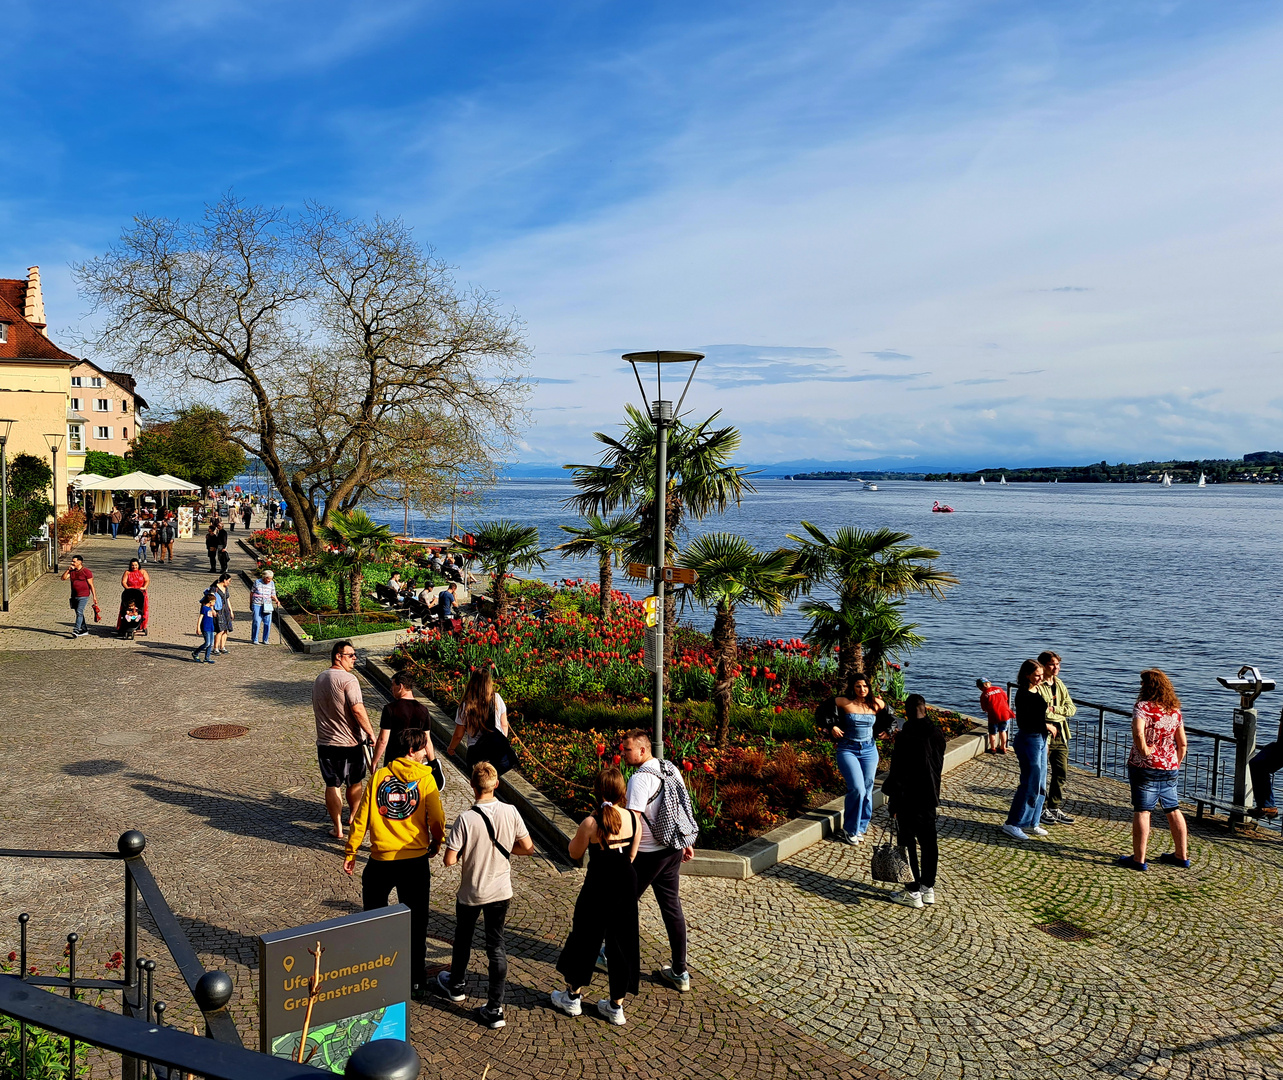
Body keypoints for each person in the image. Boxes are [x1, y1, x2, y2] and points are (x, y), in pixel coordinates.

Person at [344, 727, 445, 1002]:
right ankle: (415, 982)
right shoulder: (427, 780)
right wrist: (437, 842)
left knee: (374, 921)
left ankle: (377, 976)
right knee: (417, 923)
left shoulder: (379, 777)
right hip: (414, 863)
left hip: (380, 862)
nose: (427, 753)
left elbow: (362, 816)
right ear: (412, 751)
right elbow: (436, 818)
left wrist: (351, 850)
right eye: (424, 748)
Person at [438, 762, 536, 1029]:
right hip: (501, 891)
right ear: (496, 785)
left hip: (472, 892)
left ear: (472, 785)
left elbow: (449, 860)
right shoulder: (511, 811)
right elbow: (528, 848)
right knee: (496, 946)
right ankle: (495, 1007)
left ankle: (456, 984)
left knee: (463, 939)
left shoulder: (465, 819)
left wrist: (464, 852)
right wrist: (504, 850)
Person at [550, 768, 642, 1026]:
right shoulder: (634, 819)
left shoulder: (592, 823)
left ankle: (572, 996)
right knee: (623, 942)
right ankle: (616, 1005)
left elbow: (573, 852)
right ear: (623, 792)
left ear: (597, 792)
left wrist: (589, 822)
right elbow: (632, 855)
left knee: (585, 937)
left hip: (599, 884)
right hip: (626, 883)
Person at [621, 728, 698, 993]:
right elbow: (682, 806)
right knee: (672, 909)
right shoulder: (670, 768)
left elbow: (633, 822)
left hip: (646, 855)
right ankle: (679, 970)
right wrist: (686, 841)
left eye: (627, 749)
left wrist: (627, 856)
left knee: (621, 904)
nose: (623, 754)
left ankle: (610, 956)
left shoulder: (639, 780)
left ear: (643, 750)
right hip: (671, 851)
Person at [882, 694, 947, 909]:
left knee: (907, 842)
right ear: (925, 709)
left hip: (908, 798)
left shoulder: (906, 736)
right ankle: (928, 887)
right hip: (930, 796)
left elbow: (899, 772)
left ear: (907, 712)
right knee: (929, 843)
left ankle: (912, 890)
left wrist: (893, 802)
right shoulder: (937, 732)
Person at [1120, 669, 1190, 870]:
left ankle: (1139, 859)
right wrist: (1173, 762)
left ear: (1147, 686)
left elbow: (1138, 733)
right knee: (1173, 809)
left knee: (1142, 811)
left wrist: (1145, 752)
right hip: (1169, 767)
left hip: (1144, 766)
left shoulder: (1142, 707)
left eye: (1143, 683)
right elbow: (1183, 743)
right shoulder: (1174, 710)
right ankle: (1181, 855)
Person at [816, 672, 896, 844]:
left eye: (865, 686)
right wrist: (832, 726)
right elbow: (821, 712)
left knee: (867, 790)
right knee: (857, 789)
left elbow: (892, 717)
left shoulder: (876, 704)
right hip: (847, 749)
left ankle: (861, 827)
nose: (862, 689)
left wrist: (887, 731)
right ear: (853, 687)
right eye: (858, 686)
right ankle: (850, 829)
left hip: (869, 750)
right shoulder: (843, 701)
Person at [313, 640, 377, 840]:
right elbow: (357, 709)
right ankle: (354, 818)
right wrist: (370, 732)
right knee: (354, 781)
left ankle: (337, 828)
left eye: (355, 654)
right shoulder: (349, 680)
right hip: (350, 742)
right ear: (338, 656)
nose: (354, 658)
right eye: (350, 655)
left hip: (325, 742)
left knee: (332, 784)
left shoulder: (319, 678)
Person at [1002, 659, 1057, 841]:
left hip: (1040, 740)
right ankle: (1013, 823)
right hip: (1029, 740)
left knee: (1041, 783)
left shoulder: (1037, 690)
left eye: (1041, 674)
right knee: (1029, 783)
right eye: (1036, 675)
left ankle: (1033, 821)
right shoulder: (1023, 694)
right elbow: (1027, 721)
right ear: (1027, 675)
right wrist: (1047, 726)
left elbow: (1038, 712)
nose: (1040, 678)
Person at [374, 671, 442, 779]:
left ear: (400, 686)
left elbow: (383, 740)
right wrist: (432, 763)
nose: (391, 689)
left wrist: (374, 761)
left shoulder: (390, 709)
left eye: (393, 685)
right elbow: (427, 740)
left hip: (394, 763)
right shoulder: (423, 710)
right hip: (415, 764)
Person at [1037, 651, 1078, 826]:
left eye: (1058, 665)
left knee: (1061, 772)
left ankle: (1054, 806)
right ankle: (1040, 808)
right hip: (1044, 733)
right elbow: (1041, 711)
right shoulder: (1038, 686)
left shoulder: (1060, 684)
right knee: (1040, 773)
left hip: (1061, 733)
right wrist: (1056, 712)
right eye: (1052, 664)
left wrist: (1056, 710)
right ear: (1043, 666)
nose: (1056, 668)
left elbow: (1072, 709)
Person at [446, 667, 508, 761]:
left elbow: (458, 735)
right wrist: (502, 741)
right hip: (497, 749)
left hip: (476, 751)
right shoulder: (497, 699)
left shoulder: (466, 705)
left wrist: (451, 748)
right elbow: (504, 724)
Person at [1250, 710, 1283, 819]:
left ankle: (1268, 806)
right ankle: (1268, 806)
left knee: (1258, 765)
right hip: (1280, 745)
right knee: (1256, 764)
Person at [61, 555, 98, 638]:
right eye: (72, 561)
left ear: (80, 562)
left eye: (74, 561)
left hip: (84, 595)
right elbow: (63, 578)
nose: (72, 563)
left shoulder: (86, 572)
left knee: (79, 612)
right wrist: (68, 570)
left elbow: (91, 585)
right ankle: (84, 629)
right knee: (79, 613)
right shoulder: (72, 571)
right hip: (74, 595)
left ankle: (76, 630)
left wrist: (94, 596)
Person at [978, 678, 1014, 755]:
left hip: (993, 716)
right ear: (989, 683)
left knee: (992, 733)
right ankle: (1003, 747)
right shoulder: (999, 689)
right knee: (1003, 731)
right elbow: (1006, 698)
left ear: (980, 688)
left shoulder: (984, 694)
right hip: (1005, 714)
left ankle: (993, 748)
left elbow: (984, 708)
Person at [118, 559, 150, 637]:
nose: (134, 567)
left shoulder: (142, 572)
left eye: (135, 565)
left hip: (140, 592)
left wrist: (144, 587)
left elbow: (147, 580)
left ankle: (141, 625)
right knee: (127, 608)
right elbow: (124, 582)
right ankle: (125, 624)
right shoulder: (127, 572)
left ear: (138, 565)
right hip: (130, 593)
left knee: (141, 609)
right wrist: (127, 588)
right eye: (132, 565)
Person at [250, 569, 277, 645]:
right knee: (256, 621)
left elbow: (273, 594)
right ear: (264, 577)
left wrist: (277, 600)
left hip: (267, 604)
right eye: (268, 579)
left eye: (271, 579)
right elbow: (252, 593)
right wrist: (251, 603)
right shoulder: (257, 582)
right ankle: (255, 639)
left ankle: (265, 639)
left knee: (267, 622)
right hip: (257, 603)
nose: (269, 580)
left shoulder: (272, 583)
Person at [210, 573, 234, 654]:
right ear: (224, 580)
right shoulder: (214, 588)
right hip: (218, 611)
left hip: (226, 611)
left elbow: (227, 600)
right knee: (220, 630)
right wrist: (212, 610)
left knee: (225, 630)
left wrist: (231, 611)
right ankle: (215, 648)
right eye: (229, 581)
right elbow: (211, 600)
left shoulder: (226, 588)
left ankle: (222, 647)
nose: (229, 583)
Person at [192, 589, 218, 663]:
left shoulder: (210, 608)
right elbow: (200, 618)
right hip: (205, 628)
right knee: (207, 643)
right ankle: (195, 653)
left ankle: (207, 658)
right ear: (210, 602)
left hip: (211, 628)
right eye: (214, 602)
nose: (214, 603)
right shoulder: (204, 608)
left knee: (211, 644)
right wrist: (198, 628)